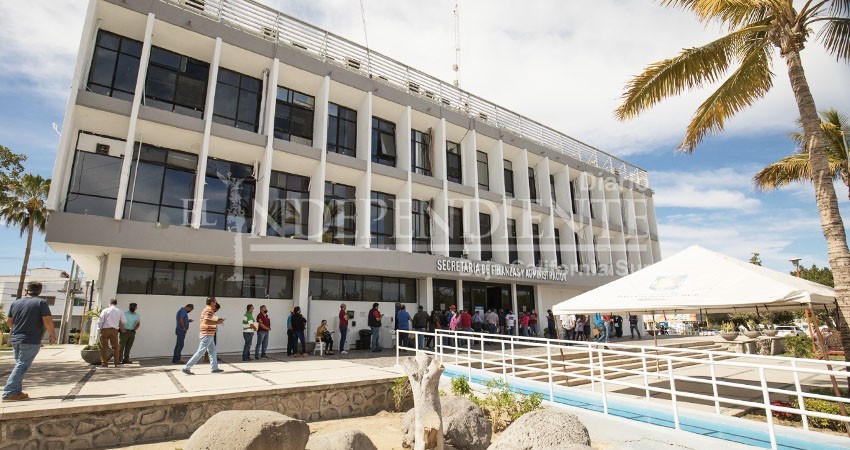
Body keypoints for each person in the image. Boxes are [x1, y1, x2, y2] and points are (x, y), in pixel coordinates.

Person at [2, 281, 55, 402]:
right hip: (30, 339)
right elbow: (47, 320)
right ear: (39, 291)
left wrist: (17, 330)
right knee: (22, 365)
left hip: (16, 339)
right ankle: (9, 392)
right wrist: (52, 334)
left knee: (19, 365)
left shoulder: (16, 302)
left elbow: (9, 322)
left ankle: (17, 392)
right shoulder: (41, 302)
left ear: (26, 290)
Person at [183, 297, 225, 375]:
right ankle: (187, 367)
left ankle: (214, 368)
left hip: (209, 334)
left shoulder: (207, 309)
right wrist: (218, 322)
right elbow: (206, 321)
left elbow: (208, 319)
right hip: (207, 334)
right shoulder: (209, 310)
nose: (216, 303)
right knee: (200, 352)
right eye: (215, 302)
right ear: (212, 302)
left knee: (212, 352)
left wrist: (217, 320)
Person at [97, 299, 124, 368]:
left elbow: (100, 320)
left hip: (105, 329)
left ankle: (104, 364)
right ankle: (116, 363)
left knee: (104, 347)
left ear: (109, 303)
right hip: (114, 330)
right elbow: (124, 321)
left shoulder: (105, 310)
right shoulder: (119, 311)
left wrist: (100, 328)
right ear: (116, 304)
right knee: (115, 347)